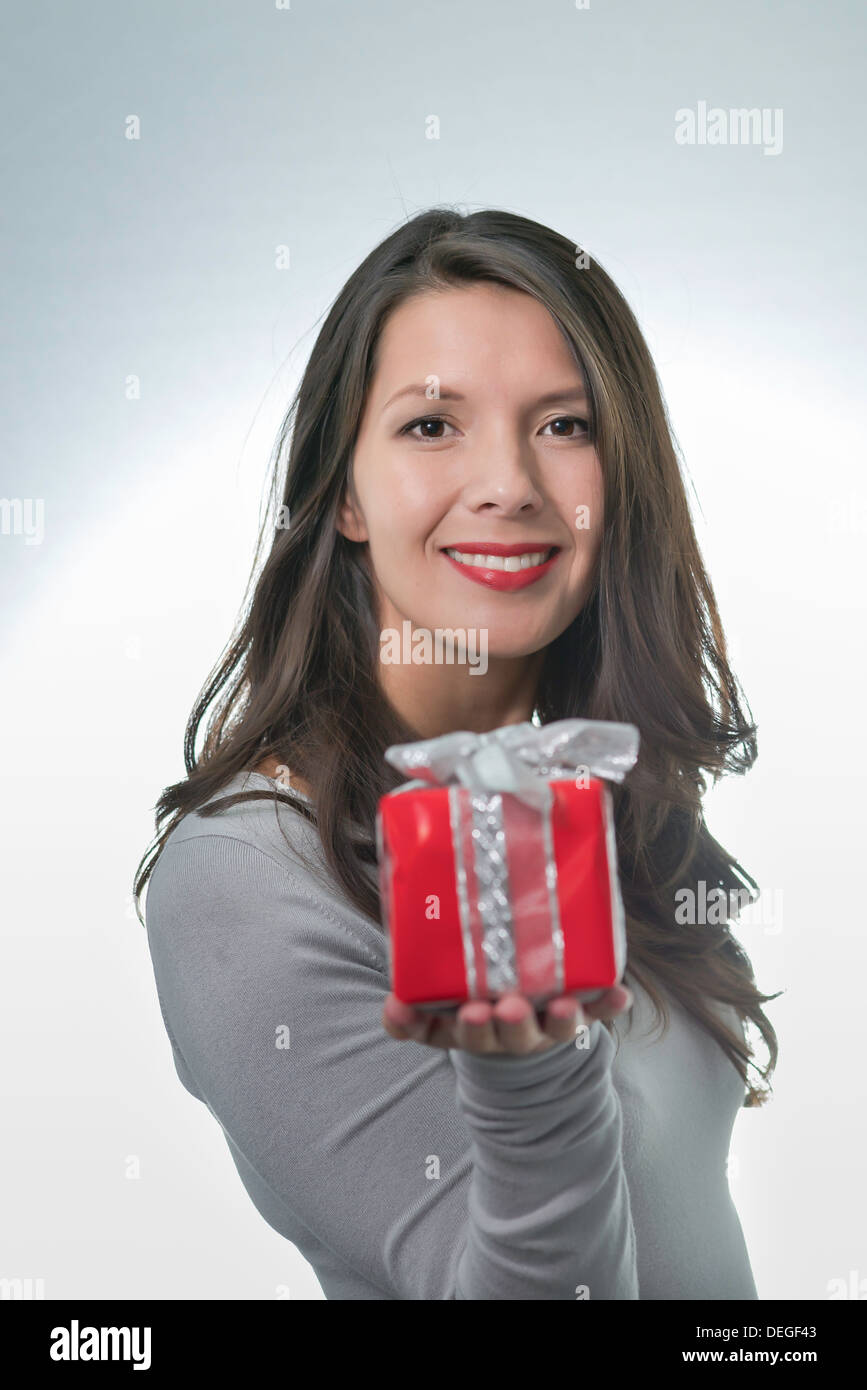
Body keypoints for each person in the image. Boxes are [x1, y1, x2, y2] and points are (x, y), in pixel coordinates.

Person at [135, 207, 780, 1300]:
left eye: (565, 425)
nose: (510, 483)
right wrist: (529, 1080)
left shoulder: (594, 797)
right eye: (433, 426)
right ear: (343, 492)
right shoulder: (245, 878)